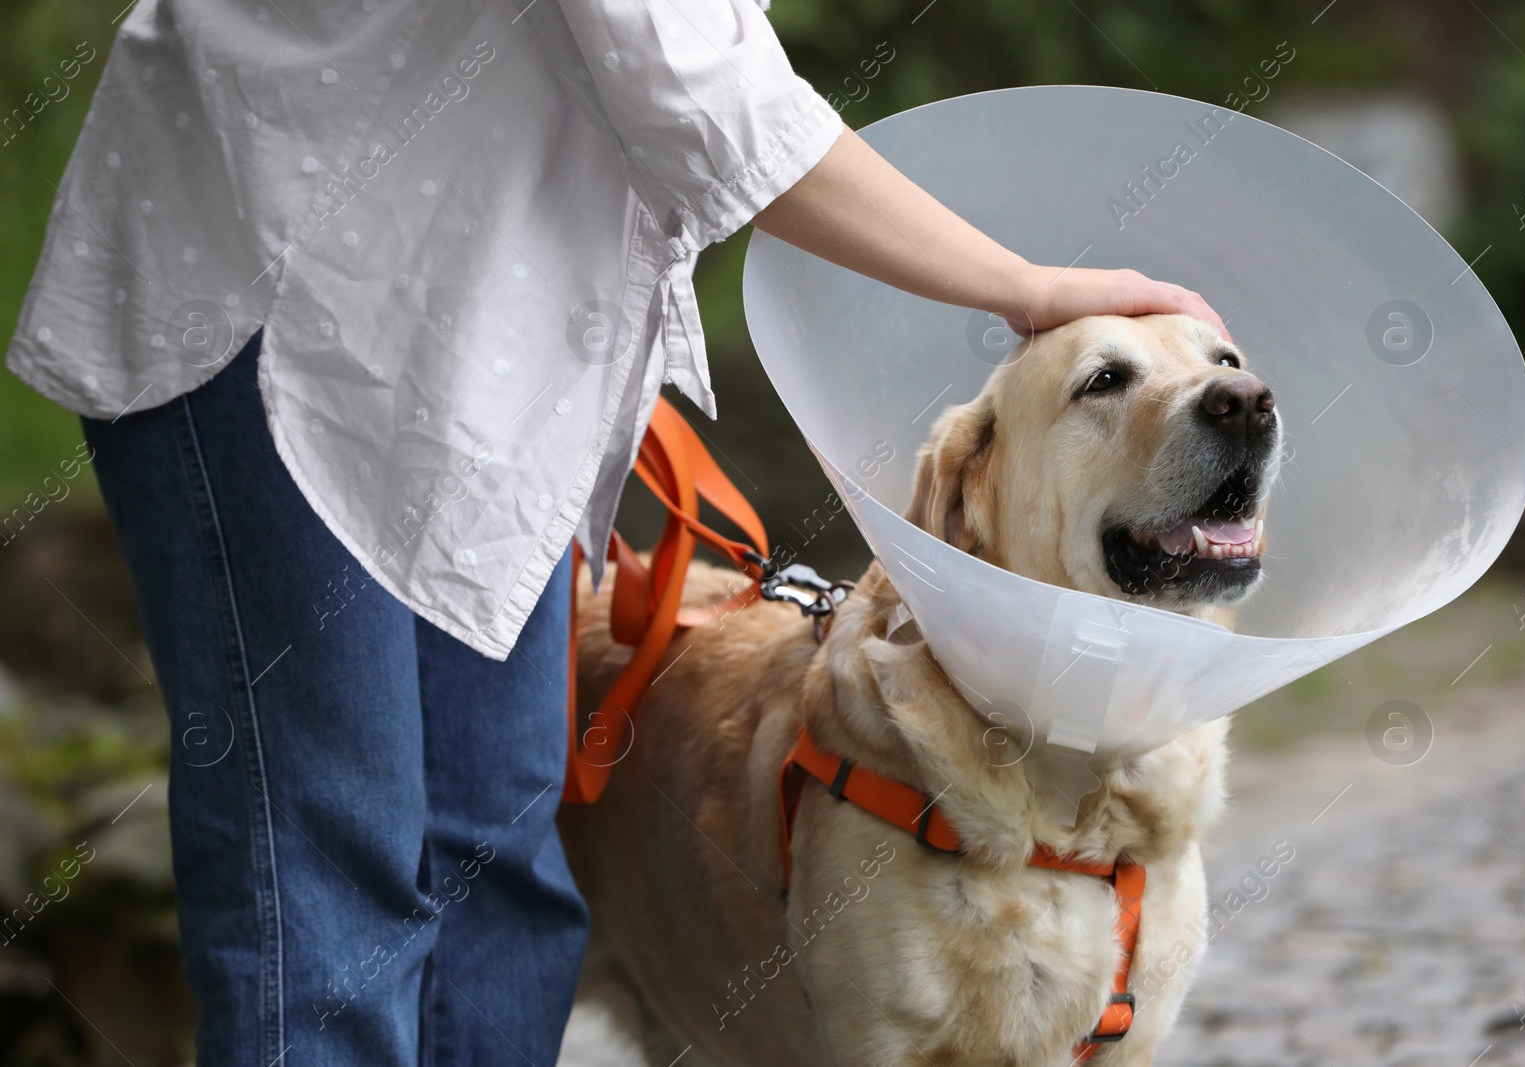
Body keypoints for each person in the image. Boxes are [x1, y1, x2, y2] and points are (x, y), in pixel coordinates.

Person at [4, 0, 1227, 1063]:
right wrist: (1023, 287)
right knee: (336, 865)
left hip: (479, 341)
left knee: (500, 852)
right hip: (274, 281)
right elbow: (699, 92)